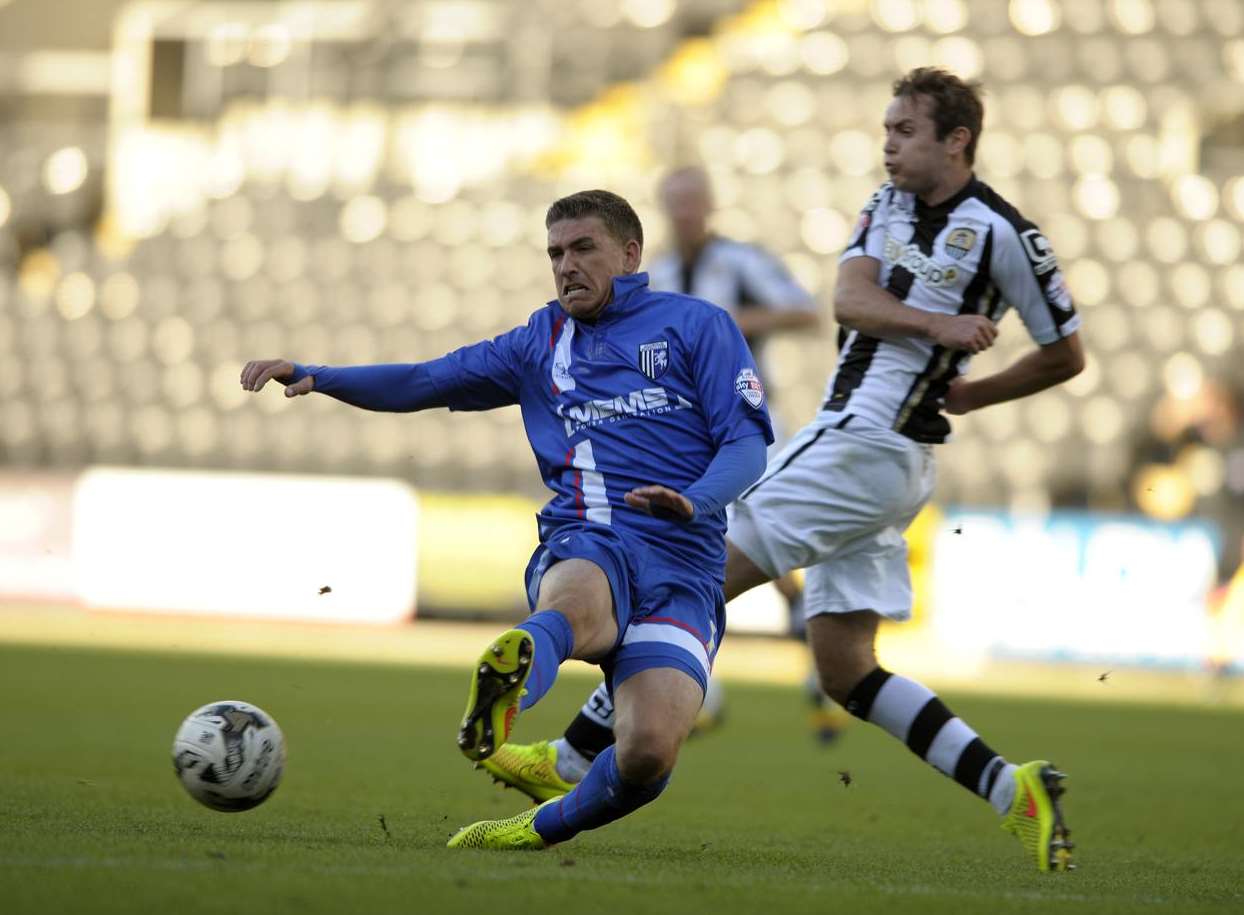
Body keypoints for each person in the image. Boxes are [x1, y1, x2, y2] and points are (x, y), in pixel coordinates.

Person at [470, 67, 1086, 872]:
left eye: (904, 130)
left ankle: (577, 755)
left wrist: (973, 396)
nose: (888, 143)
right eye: (886, 128)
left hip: (863, 446)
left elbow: (1065, 353)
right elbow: (849, 301)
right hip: (872, 457)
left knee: (686, 566)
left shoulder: (1007, 235)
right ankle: (1013, 788)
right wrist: (939, 327)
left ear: (956, 139)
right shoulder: (888, 204)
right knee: (844, 665)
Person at [239, 189, 774, 850]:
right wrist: (318, 374)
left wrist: (695, 498)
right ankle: (511, 685)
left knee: (647, 756)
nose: (565, 266)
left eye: (583, 248)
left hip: (687, 568)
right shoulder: (538, 342)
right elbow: (424, 380)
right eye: (554, 252)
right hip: (593, 534)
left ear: (631, 254)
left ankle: (535, 828)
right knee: (579, 596)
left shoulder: (698, 325)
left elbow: (748, 444)